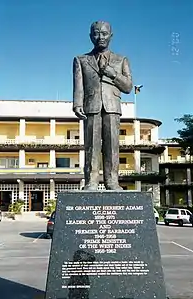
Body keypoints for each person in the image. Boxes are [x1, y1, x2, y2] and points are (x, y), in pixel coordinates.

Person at [73, 21, 132, 191]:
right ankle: (91, 180)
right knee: (91, 145)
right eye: (96, 33)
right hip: (91, 106)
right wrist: (77, 103)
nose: (100, 37)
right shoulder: (81, 60)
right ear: (91, 36)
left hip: (112, 106)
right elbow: (79, 83)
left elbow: (128, 87)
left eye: (104, 33)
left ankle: (112, 180)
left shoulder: (121, 60)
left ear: (111, 36)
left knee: (112, 145)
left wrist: (112, 74)